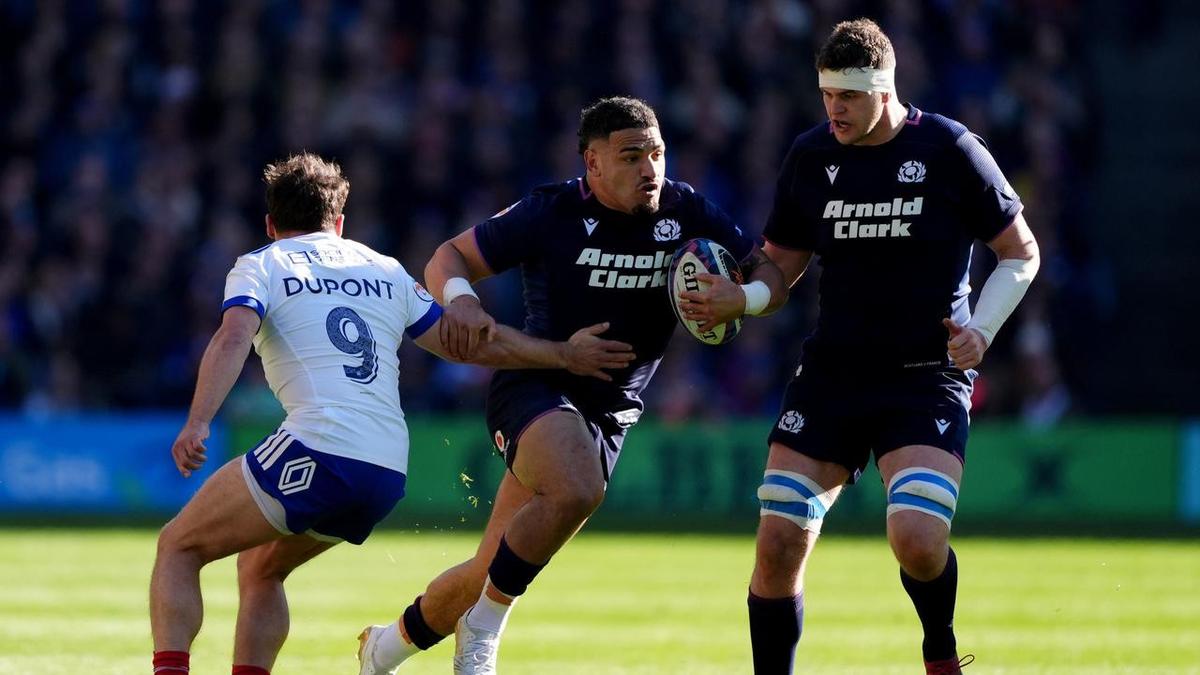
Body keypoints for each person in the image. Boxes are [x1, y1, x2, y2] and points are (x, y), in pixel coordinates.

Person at [147, 152, 635, 675]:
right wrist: (562, 354)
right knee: (261, 568)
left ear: (270, 224)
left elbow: (233, 337)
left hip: (319, 445)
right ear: (339, 222)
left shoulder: (262, 264)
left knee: (178, 546)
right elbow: (469, 345)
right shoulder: (384, 269)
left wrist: (198, 422)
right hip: (384, 468)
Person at [356, 96, 788, 674]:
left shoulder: (686, 210)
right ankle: (483, 628)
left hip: (611, 410)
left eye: (656, 153)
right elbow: (448, 257)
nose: (649, 169)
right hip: (536, 385)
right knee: (578, 488)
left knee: (488, 567)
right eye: (631, 156)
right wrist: (462, 301)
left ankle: (382, 650)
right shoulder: (551, 210)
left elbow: (769, 272)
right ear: (593, 163)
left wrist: (745, 297)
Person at [746, 19, 1040, 675]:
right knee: (777, 542)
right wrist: (740, 300)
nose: (834, 110)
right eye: (826, 95)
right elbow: (779, 265)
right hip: (833, 373)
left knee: (916, 540)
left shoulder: (950, 148)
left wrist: (982, 328)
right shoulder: (810, 155)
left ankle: (940, 650)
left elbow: (1020, 253)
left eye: (848, 96)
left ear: (885, 88)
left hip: (924, 375)